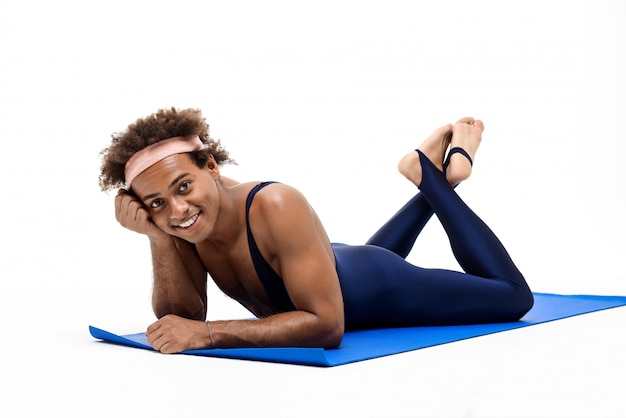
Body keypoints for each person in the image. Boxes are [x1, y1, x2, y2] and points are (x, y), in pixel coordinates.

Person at [99, 107, 533, 354]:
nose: (176, 210)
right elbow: (183, 318)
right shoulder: (180, 221)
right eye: (156, 203)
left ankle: (428, 173)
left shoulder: (276, 203)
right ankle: (434, 177)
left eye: (183, 186)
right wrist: (158, 237)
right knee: (340, 266)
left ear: (211, 166)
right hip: (332, 266)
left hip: (377, 284)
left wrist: (213, 334)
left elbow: (328, 326)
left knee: (514, 296)